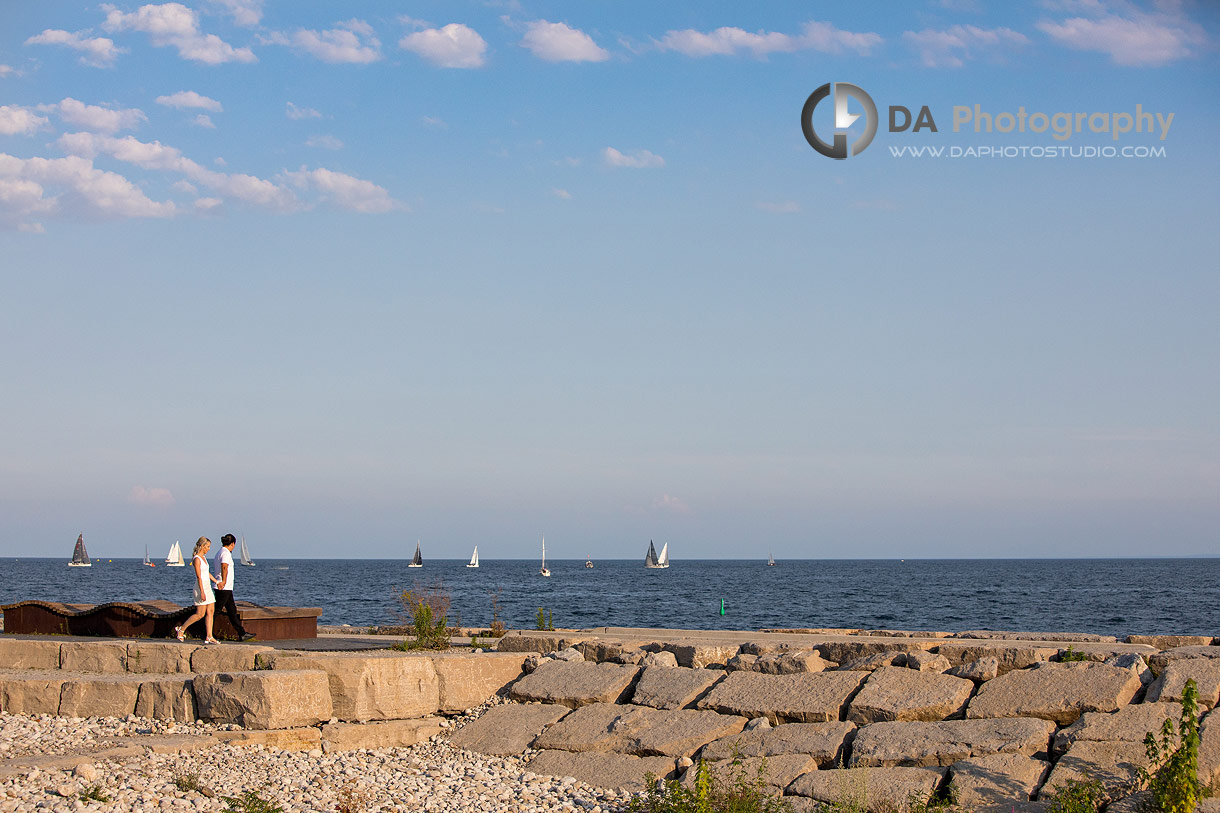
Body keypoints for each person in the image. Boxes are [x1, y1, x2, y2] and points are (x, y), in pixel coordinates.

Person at [174, 537, 220, 644]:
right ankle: (181, 630)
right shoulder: (197, 559)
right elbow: (199, 577)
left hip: (207, 587)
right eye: (208, 546)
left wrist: (216, 582)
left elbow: (206, 573)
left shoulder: (204, 558)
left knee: (210, 611)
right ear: (202, 546)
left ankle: (209, 636)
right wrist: (202, 592)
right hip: (200, 588)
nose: (209, 549)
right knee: (200, 614)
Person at [213, 533, 255, 641]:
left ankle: (241, 633)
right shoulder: (225, 553)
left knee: (232, 611)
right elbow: (224, 567)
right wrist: (224, 581)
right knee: (216, 610)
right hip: (224, 587)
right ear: (232, 544)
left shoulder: (219, 552)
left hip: (225, 587)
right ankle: (206, 631)